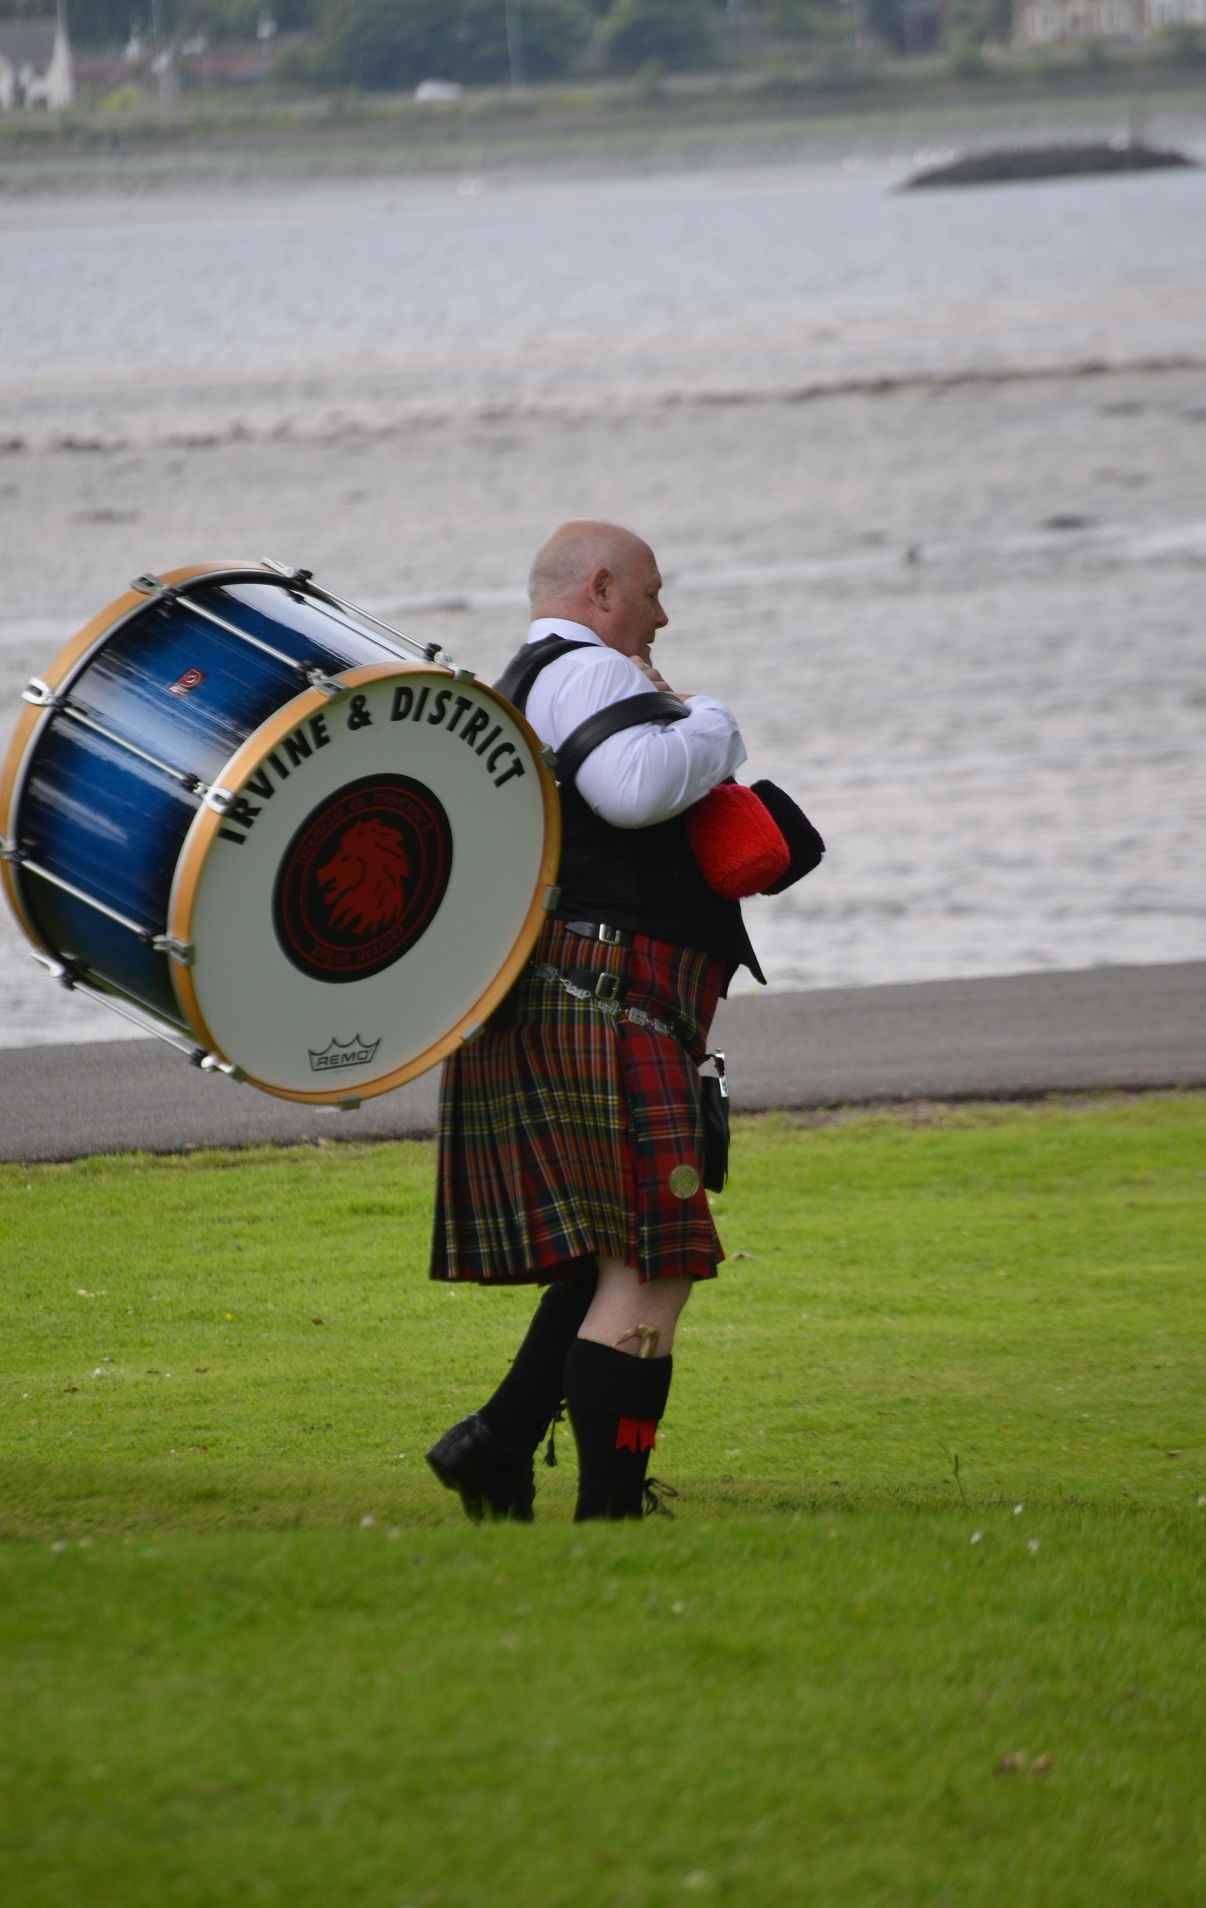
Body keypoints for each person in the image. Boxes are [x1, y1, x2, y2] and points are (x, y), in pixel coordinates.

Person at [425, 519, 764, 1522]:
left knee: (612, 1254)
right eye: (654, 592)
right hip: (609, 1002)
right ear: (603, 586)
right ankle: (610, 1512)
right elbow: (634, 784)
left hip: (565, 995)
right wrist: (713, 718)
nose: (663, 613)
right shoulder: (590, 677)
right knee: (654, 1267)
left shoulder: (524, 682)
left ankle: (495, 1443)